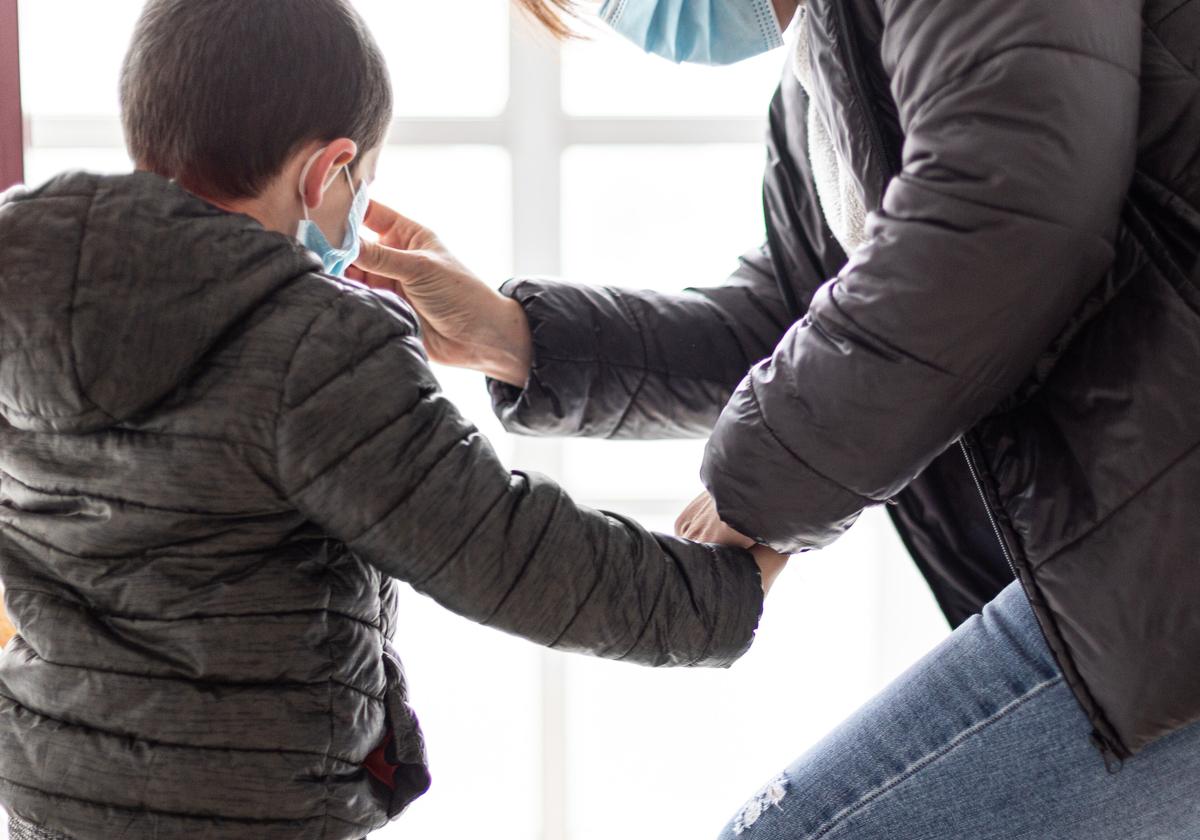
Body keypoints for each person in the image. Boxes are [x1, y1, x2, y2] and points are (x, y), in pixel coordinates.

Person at [353, 0, 1200, 836]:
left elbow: (1002, 223)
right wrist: (515, 338)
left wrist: (761, 483)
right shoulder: (821, 77)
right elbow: (793, 322)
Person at [0, 1, 789, 838]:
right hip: (252, 813)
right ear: (326, 173)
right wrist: (719, 593)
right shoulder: (314, 343)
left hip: (51, 800)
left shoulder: (25, 290)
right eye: (361, 182)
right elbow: (508, 552)